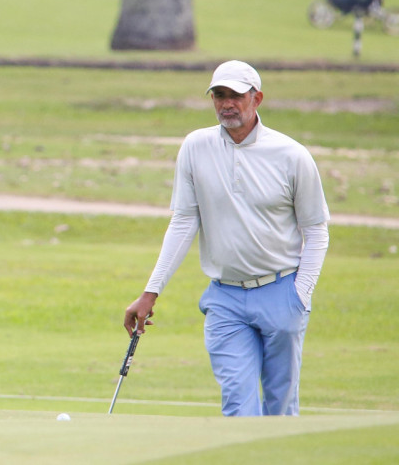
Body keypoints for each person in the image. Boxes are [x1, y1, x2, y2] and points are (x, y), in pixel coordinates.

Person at [123, 60, 330, 416]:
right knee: (238, 400)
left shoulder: (292, 155)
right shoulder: (195, 146)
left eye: (236, 95)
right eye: (219, 95)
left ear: (257, 98)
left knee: (280, 404)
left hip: (282, 291)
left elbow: (315, 230)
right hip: (225, 297)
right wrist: (150, 292)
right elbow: (184, 221)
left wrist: (301, 293)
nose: (226, 104)